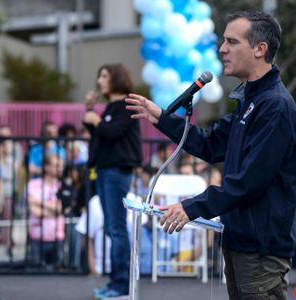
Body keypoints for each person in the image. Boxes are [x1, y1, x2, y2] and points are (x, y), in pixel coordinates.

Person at [125, 11, 296, 299]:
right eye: (223, 41)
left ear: (260, 49)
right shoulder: (251, 100)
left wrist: (192, 207)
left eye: (232, 41)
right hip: (242, 242)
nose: (222, 49)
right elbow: (210, 144)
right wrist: (163, 119)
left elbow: (250, 181)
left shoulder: (274, 105)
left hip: (260, 249)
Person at [83, 63, 142, 299]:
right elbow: (100, 135)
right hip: (106, 171)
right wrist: (90, 112)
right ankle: (115, 282)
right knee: (112, 227)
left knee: (117, 228)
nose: (99, 81)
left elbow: (113, 132)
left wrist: (96, 121)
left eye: (104, 76)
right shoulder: (110, 107)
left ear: (116, 78)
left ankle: (120, 285)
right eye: (99, 76)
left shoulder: (126, 105)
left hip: (117, 172)